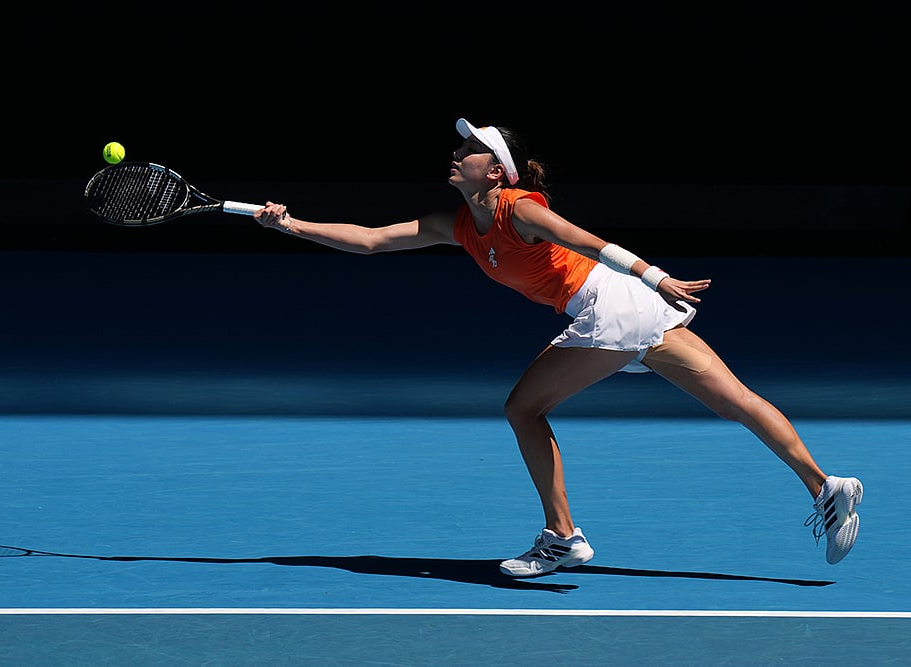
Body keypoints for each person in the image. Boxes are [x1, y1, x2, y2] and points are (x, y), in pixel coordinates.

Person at [253, 118, 863, 577]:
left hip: (614, 302)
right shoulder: (458, 225)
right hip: (628, 307)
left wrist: (657, 277)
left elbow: (589, 241)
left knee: (523, 408)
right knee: (735, 400)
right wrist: (292, 225)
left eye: (469, 151)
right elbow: (369, 240)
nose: (456, 155)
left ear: (495, 170)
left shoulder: (520, 210)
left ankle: (562, 536)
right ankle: (825, 486)